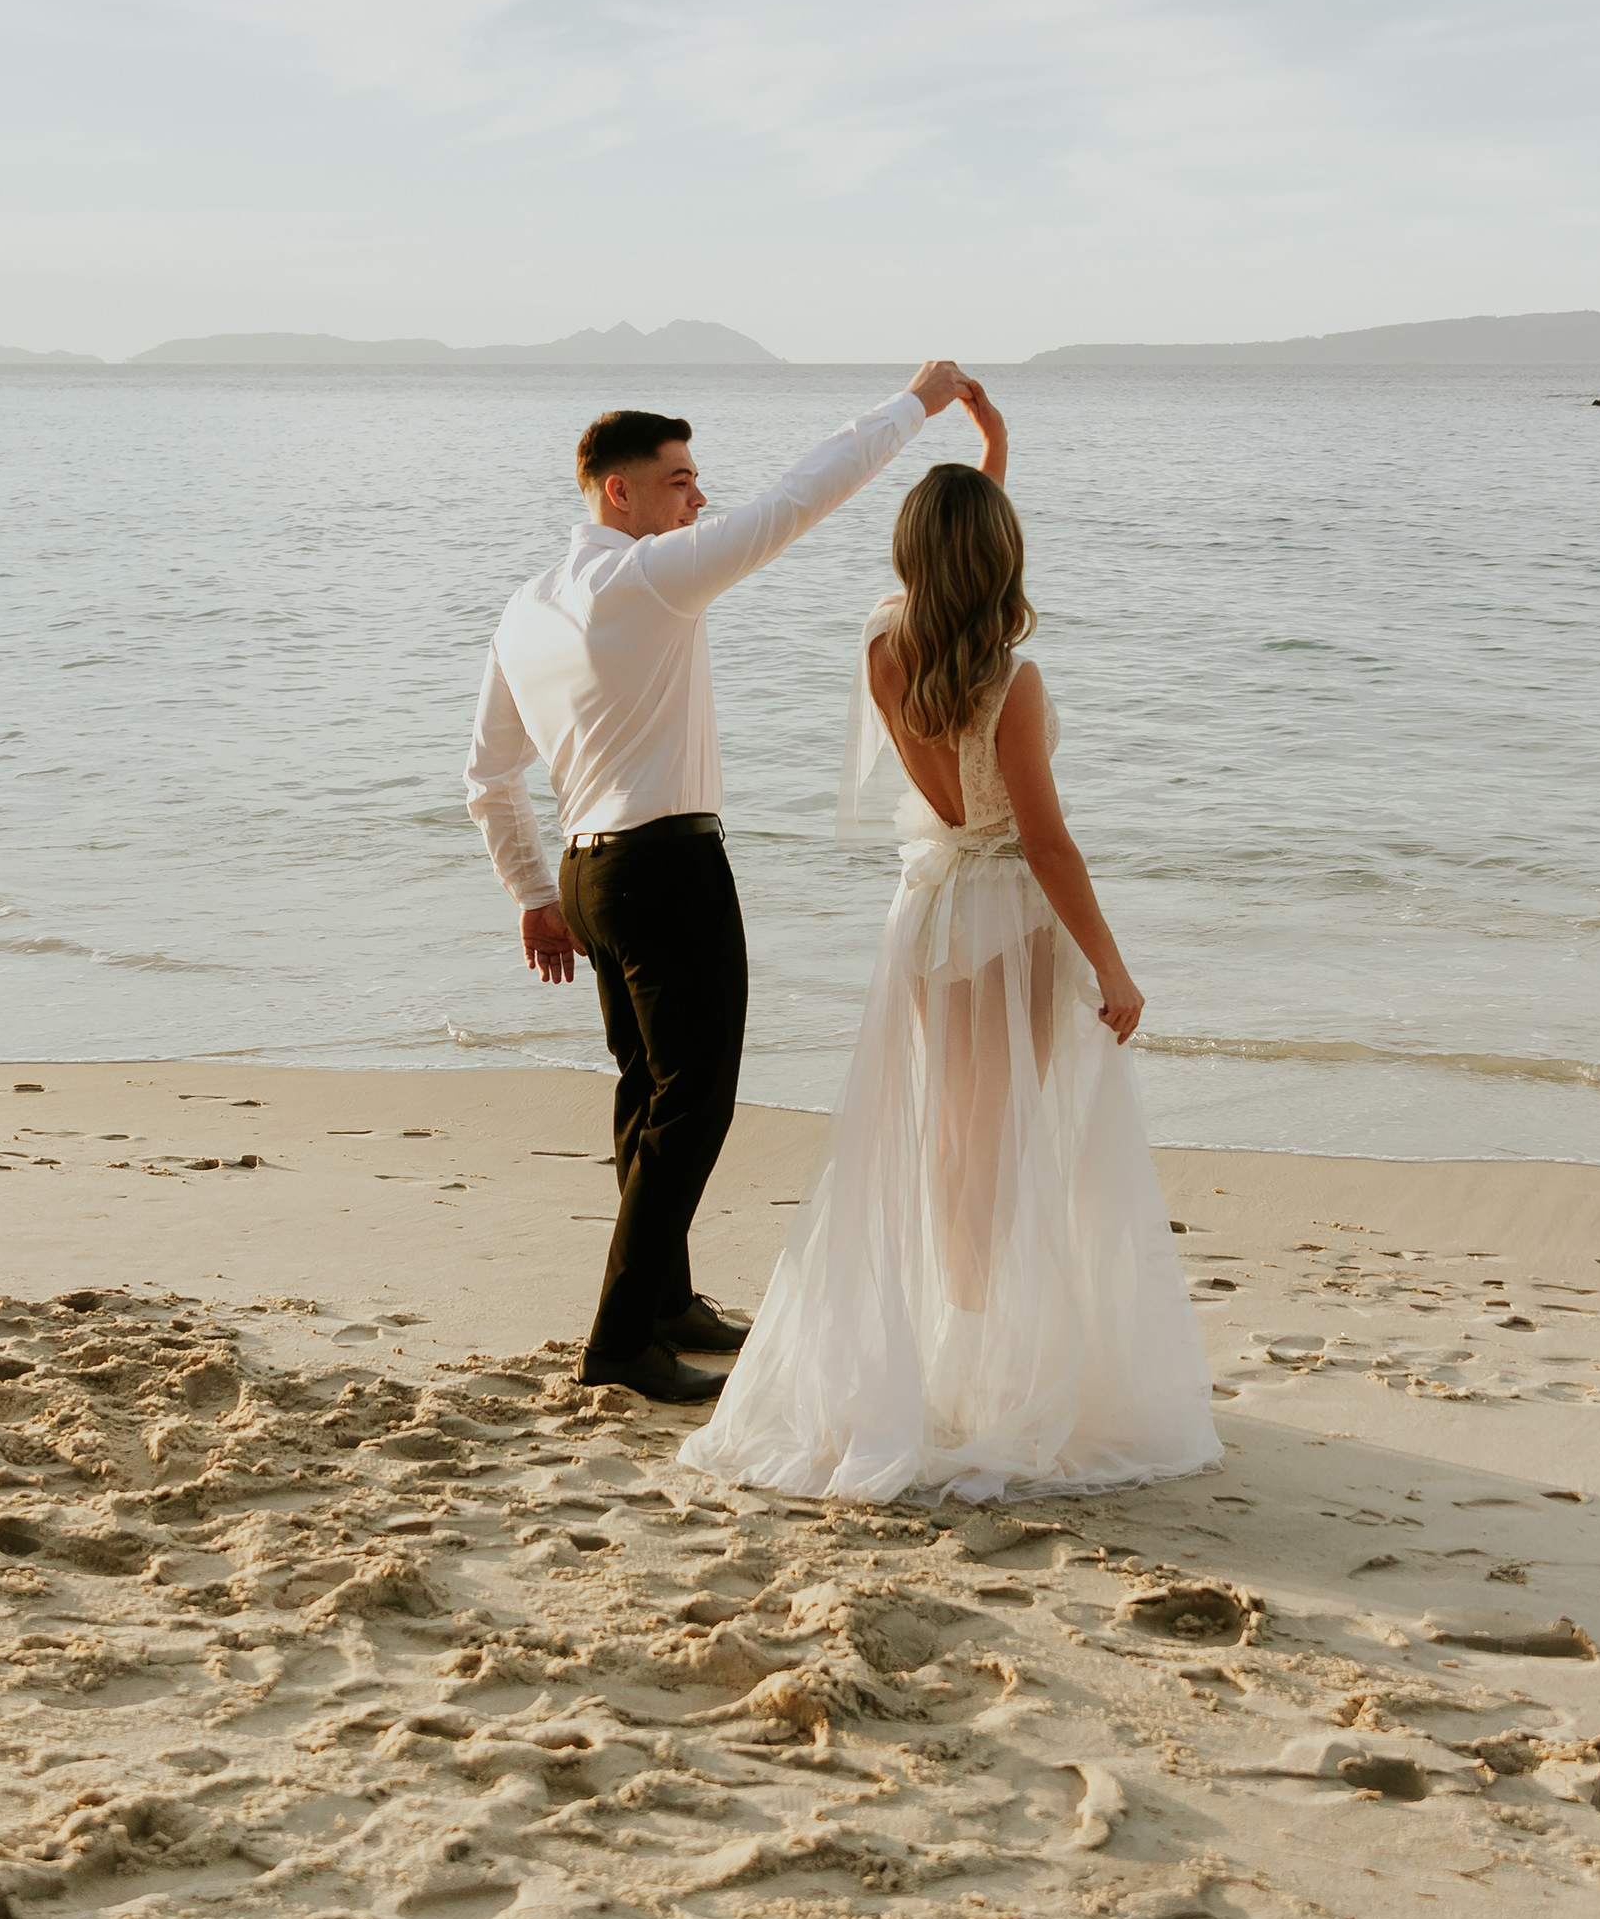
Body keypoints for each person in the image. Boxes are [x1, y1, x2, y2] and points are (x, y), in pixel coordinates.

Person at [681, 388, 1222, 1503]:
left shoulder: (886, 643)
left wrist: (990, 445)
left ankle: (947, 1338)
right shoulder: (1011, 682)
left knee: (950, 1138)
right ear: (1003, 555)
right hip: (1007, 916)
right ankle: (983, 1354)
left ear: (913, 555)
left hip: (927, 916)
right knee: (1003, 1143)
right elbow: (1047, 844)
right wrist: (1113, 967)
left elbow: (955, 558)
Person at [465, 362, 973, 1404]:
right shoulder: (649, 577)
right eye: (681, 480)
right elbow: (799, 498)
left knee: (646, 1095)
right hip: (665, 867)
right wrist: (915, 405)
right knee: (692, 1107)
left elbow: (489, 776)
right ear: (619, 491)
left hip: (591, 874)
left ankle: (664, 1304)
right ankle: (620, 1342)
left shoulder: (527, 607)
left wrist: (534, 893)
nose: (700, 497)